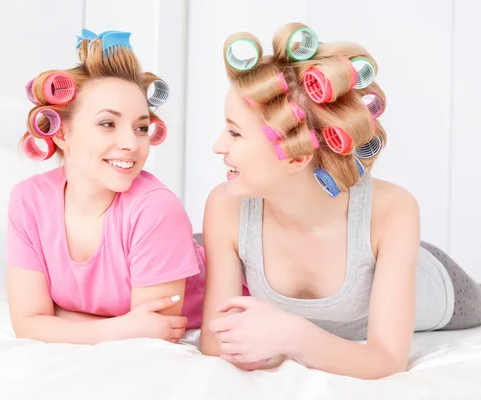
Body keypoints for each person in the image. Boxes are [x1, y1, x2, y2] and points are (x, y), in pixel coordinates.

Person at [199, 22, 481, 379]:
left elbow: (387, 361)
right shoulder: (225, 207)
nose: (218, 146)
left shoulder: (394, 210)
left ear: (297, 156)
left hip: (435, 281)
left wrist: (291, 335)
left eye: (235, 133)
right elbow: (213, 339)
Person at [6, 29, 205, 345]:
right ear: (61, 133)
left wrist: (58, 317)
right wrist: (116, 328)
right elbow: (27, 323)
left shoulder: (156, 210)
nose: (131, 143)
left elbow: (156, 334)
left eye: (141, 127)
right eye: (108, 124)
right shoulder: (29, 200)